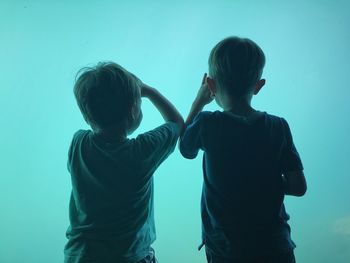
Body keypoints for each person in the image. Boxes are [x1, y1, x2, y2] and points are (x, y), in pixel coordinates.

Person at [179, 36, 307, 263]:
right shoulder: (278, 126)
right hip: (276, 247)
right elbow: (298, 187)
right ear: (258, 86)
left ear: (210, 85)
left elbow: (186, 149)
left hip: (227, 251)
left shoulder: (207, 123)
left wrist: (198, 103)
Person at [64, 62, 184, 263]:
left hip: (81, 255)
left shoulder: (79, 143)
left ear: (87, 114)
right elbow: (176, 123)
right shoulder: (141, 151)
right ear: (132, 111)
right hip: (130, 256)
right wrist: (149, 91)